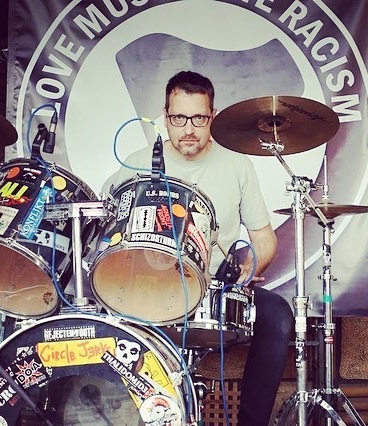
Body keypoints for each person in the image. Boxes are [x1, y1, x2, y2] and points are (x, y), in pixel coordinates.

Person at [102, 70, 294, 425]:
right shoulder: (137, 164)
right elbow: (102, 227)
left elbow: (265, 239)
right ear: (165, 117)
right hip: (150, 288)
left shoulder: (237, 165)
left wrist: (246, 271)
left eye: (199, 118)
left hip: (213, 288)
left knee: (278, 315)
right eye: (179, 118)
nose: (188, 129)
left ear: (212, 116)